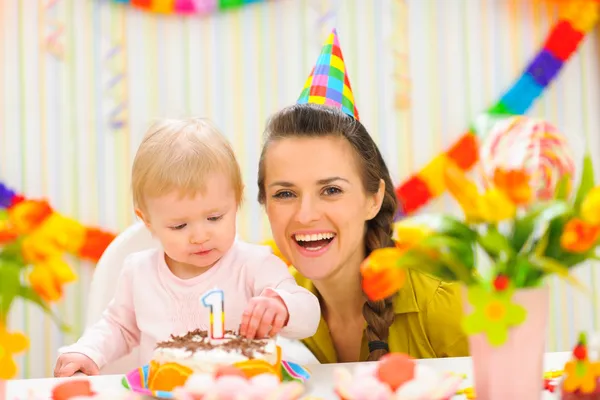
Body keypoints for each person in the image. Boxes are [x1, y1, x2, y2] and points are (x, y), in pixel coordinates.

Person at [257, 29, 468, 363]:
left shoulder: (440, 303)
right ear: (265, 205)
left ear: (374, 198)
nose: (306, 214)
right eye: (285, 193)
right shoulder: (269, 311)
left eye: (331, 190)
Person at [54, 118, 320, 377]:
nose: (200, 236)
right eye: (179, 226)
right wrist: (87, 351)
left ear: (237, 199)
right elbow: (118, 327)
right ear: (147, 221)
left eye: (215, 218)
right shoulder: (139, 273)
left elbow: (309, 316)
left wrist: (283, 306)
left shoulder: (255, 265)